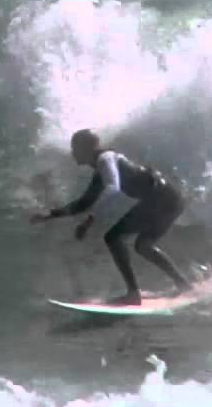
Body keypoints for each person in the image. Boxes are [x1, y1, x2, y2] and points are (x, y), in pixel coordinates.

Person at [31, 129, 192, 305]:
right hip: (166, 199)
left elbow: (112, 188)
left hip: (163, 199)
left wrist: (90, 219)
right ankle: (182, 284)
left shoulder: (105, 159)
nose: (72, 153)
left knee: (114, 238)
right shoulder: (101, 167)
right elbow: (84, 203)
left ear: (86, 149)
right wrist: (51, 215)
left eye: (75, 148)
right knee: (142, 245)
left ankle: (133, 294)